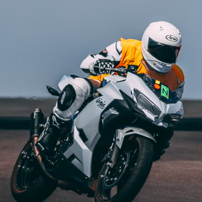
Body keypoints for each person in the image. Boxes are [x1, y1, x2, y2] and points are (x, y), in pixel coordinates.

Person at [36, 21, 184, 159]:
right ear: (146, 42)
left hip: (142, 108)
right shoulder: (126, 47)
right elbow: (87, 62)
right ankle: (52, 130)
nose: (164, 56)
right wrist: (98, 64)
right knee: (79, 86)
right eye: (159, 49)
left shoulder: (177, 77)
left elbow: (172, 102)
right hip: (103, 87)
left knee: (166, 130)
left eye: (170, 52)